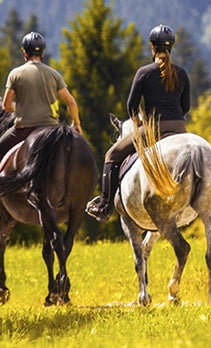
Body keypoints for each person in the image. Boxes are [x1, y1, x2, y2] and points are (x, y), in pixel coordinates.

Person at [86, 24, 190, 223]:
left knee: (111, 155)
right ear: (171, 48)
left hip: (153, 128)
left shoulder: (144, 73)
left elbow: (131, 106)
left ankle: (104, 208)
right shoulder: (182, 73)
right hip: (180, 128)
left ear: (152, 48)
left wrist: (139, 124)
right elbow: (185, 106)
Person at [2, 31, 81, 160]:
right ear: (42, 53)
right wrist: (76, 123)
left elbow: (6, 105)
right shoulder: (54, 74)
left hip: (23, 129)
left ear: (25, 53)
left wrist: (23, 108)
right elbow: (71, 102)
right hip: (51, 129)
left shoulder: (15, 74)